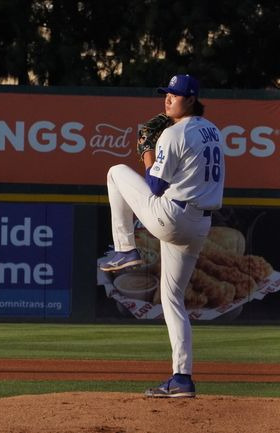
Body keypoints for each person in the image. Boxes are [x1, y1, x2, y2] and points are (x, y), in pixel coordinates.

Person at [99, 74, 225, 398]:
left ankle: (126, 248)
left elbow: (154, 187)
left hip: (173, 217)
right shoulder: (212, 131)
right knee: (171, 299)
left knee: (115, 173)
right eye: (166, 94)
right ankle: (182, 378)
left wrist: (146, 152)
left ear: (192, 98)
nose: (168, 99)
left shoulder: (173, 134)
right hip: (199, 225)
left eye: (175, 95)